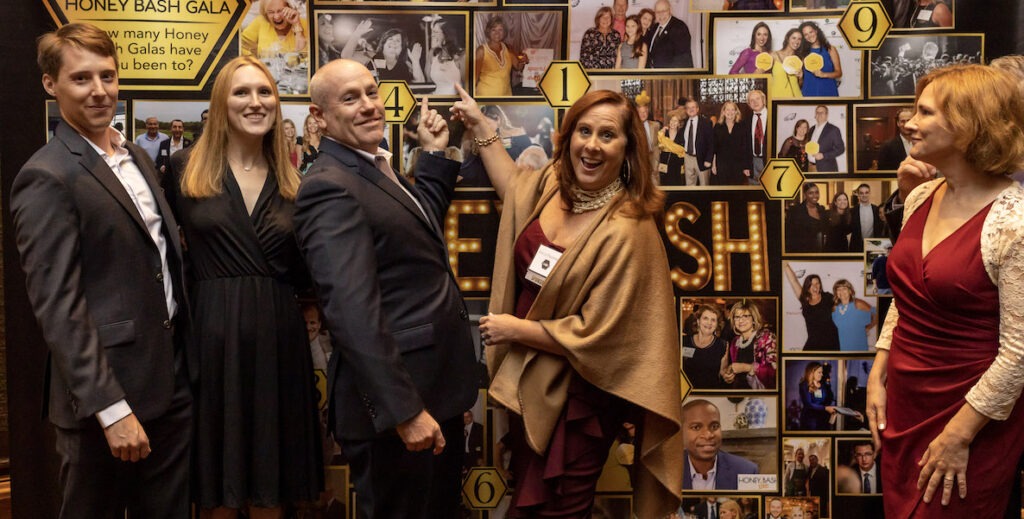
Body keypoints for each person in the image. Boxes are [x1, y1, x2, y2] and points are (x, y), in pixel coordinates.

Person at [458, 86, 682, 517]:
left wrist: (515, 329)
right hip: (530, 385)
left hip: (583, 399)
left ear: (628, 148)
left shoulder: (629, 229)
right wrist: (481, 125)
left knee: (561, 509)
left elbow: (606, 334)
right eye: (583, 131)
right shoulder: (551, 185)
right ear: (567, 136)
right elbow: (514, 186)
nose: (592, 145)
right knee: (527, 504)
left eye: (607, 135)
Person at [11, 23, 191, 518]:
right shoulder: (46, 175)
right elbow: (58, 306)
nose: (99, 91)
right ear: (51, 85)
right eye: (81, 79)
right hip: (104, 402)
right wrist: (112, 411)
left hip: (171, 386)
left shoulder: (133, 154)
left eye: (108, 76)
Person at [295, 59, 478, 519]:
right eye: (350, 98)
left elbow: (415, 235)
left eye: (371, 93)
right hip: (397, 412)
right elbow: (352, 312)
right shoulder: (329, 187)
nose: (368, 106)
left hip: (432, 395)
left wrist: (436, 155)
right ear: (319, 116)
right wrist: (404, 412)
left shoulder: (371, 167)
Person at [164, 56, 323, 518]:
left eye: (265, 91)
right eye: (241, 92)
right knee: (218, 484)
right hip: (210, 339)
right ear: (221, 101)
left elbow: (308, 266)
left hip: (280, 341)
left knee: (273, 484)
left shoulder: (295, 181)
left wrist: (312, 305)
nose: (255, 102)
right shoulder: (182, 169)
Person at [866, 64, 1024, 517]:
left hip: (971, 417)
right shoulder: (920, 195)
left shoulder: (1013, 221)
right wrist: (879, 373)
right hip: (906, 404)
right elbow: (907, 296)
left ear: (970, 125)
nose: (909, 123)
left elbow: (1017, 352)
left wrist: (958, 436)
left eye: (924, 113)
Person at [681, 400, 758, 490]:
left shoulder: (747, 472)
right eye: (696, 427)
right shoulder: (666, 474)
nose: (708, 435)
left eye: (714, 426)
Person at [720, 300, 777, 390]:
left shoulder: (766, 337)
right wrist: (729, 376)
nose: (741, 320)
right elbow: (735, 370)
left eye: (745, 316)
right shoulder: (735, 342)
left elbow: (775, 370)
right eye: (737, 317)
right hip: (739, 393)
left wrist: (747, 367)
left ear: (754, 319)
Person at [785, 262, 841, 350]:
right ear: (807, 287)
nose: (814, 286)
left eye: (817, 283)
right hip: (813, 343)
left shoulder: (827, 297)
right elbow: (793, 281)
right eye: (811, 284)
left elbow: (845, 308)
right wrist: (785, 265)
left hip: (831, 343)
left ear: (820, 285)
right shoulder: (805, 300)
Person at [475, 16, 526, 97]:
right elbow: (474, 78)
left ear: (504, 32)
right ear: (488, 32)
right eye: (493, 30)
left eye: (500, 30)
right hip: (485, 97)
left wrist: (523, 60)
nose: (497, 33)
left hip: (506, 96)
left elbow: (518, 67)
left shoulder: (508, 48)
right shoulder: (481, 50)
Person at [240, 0, 309, 58]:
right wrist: (254, 63)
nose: (276, 17)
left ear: (289, 8)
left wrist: (296, 25)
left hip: (295, 74)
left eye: (280, 11)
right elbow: (241, 45)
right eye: (271, 12)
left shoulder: (303, 24)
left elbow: (303, 56)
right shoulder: (261, 22)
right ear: (265, 14)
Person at [682, 304, 727, 390]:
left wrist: (728, 376)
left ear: (717, 324)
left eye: (713, 320)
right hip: (686, 395)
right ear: (698, 321)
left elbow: (723, 374)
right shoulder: (684, 341)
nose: (709, 323)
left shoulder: (723, 345)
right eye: (705, 318)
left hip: (711, 395)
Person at [711, 101, 753, 186]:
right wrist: (713, 165)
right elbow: (714, 147)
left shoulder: (742, 126)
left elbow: (746, 147)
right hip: (722, 164)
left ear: (736, 112)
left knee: (736, 193)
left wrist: (746, 166)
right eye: (727, 110)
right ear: (723, 112)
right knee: (723, 192)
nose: (730, 112)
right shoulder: (718, 126)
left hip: (738, 165)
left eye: (732, 110)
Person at [799, 21, 842, 97]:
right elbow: (802, 79)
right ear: (803, 38)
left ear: (816, 31)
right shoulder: (803, 53)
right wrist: (800, 77)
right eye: (806, 34)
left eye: (811, 32)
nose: (809, 36)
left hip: (828, 91)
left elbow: (838, 73)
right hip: (809, 92)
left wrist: (823, 74)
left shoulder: (830, 49)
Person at [647, 0, 693, 68]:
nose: (661, 14)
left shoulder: (679, 27)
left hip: (672, 75)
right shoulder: (654, 27)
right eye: (658, 12)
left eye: (664, 11)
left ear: (670, 10)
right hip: (656, 73)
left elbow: (682, 58)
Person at [832, 279, 875, 352]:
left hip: (858, 347)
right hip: (843, 348)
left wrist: (868, 327)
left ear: (850, 291)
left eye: (844, 288)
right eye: (838, 289)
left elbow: (876, 313)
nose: (841, 292)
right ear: (836, 292)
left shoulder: (857, 304)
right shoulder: (835, 308)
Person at [426, 19, 465, 95]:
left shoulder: (462, 55)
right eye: (432, 32)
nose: (432, 35)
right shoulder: (432, 53)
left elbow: (467, 87)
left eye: (436, 32)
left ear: (447, 35)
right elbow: (428, 82)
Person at [784, 182, 826, 252]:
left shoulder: (821, 209)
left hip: (818, 252)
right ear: (805, 195)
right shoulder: (796, 210)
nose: (814, 195)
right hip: (801, 251)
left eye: (816, 192)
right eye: (811, 193)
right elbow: (789, 236)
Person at [681, 97, 713, 186]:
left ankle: (704, 201)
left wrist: (708, 159)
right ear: (686, 110)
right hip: (688, 158)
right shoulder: (684, 123)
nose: (691, 109)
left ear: (697, 109)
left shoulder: (706, 123)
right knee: (689, 186)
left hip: (702, 159)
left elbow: (711, 143)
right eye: (688, 108)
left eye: (693, 107)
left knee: (704, 186)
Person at [798, 362, 837, 430]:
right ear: (812, 372)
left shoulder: (823, 385)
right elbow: (809, 404)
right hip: (810, 420)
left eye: (822, 372)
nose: (822, 374)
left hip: (822, 419)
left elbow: (828, 399)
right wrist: (826, 408)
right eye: (819, 372)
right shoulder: (804, 385)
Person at [807, 105, 844, 172]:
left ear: (827, 115)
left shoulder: (833, 129)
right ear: (815, 115)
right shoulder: (811, 129)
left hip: (826, 169)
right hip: (810, 167)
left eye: (822, 112)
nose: (819, 114)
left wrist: (823, 155)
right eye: (817, 112)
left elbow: (841, 149)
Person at [770, 29, 804, 98]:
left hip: (795, 97)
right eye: (794, 38)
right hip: (777, 96)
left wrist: (801, 78)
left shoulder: (800, 59)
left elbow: (799, 85)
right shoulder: (774, 55)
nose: (796, 41)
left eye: (799, 39)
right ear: (787, 39)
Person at [849, 183, 883, 252]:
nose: (864, 195)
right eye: (861, 193)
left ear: (870, 193)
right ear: (858, 195)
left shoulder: (876, 209)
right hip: (856, 247)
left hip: (874, 246)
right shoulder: (852, 211)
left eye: (866, 192)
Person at [657, 111, 686, 185]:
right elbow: (657, 147)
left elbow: (682, 150)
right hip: (664, 165)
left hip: (677, 166)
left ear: (679, 124)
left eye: (675, 121)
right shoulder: (662, 134)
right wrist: (661, 133)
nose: (673, 122)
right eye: (672, 120)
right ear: (669, 122)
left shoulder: (682, 135)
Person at [635, 92, 661, 171]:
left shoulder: (656, 125)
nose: (643, 114)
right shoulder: (633, 128)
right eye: (641, 112)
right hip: (640, 160)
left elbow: (660, 141)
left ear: (648, 112)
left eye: (645, 112)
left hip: (654, 158)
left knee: (655, 181)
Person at [746, 89, 768, 181]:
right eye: (752, 100)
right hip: (753, 162)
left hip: (769, 161)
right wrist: (746, 165)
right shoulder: (746, 121)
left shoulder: (773, 115)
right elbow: (744, 145)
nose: (755, 102)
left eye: (757, 99)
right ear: (749, 104)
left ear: (763, 100)